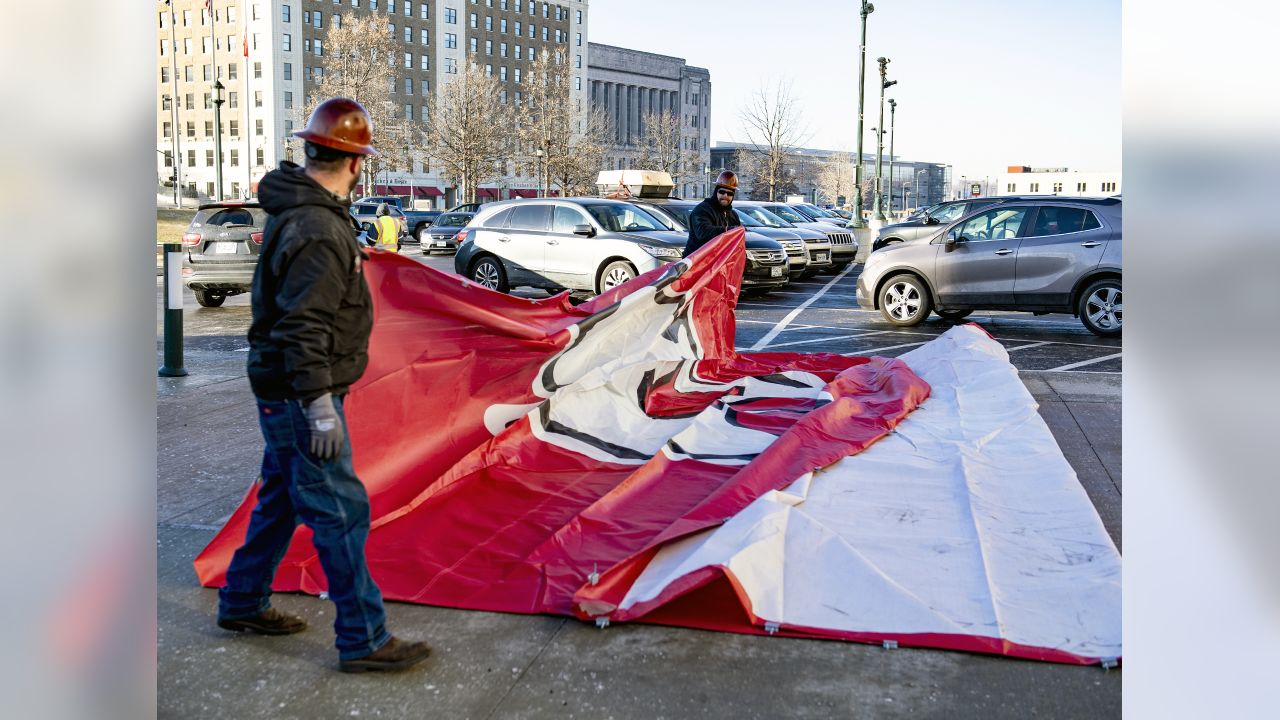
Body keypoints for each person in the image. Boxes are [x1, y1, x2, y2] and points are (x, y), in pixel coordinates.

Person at [216, 97, 431, 674]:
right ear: (356, 164)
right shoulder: (316, 226)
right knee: (340, 509)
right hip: (298, 394)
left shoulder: (309, 212)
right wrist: (318, 406)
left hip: (287, 390)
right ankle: (364, 638)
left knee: (282, 499)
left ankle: (241, 601)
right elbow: (303, 325)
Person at [683, 170, 742, 257]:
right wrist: (729, 230)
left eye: (730, 193)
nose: (725, 196)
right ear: (715, 192)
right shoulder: (702, 210)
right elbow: (703, 233)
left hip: (719, 262)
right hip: (698, 261)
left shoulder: (733, 215)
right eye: (722, 192)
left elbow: (738, 239)